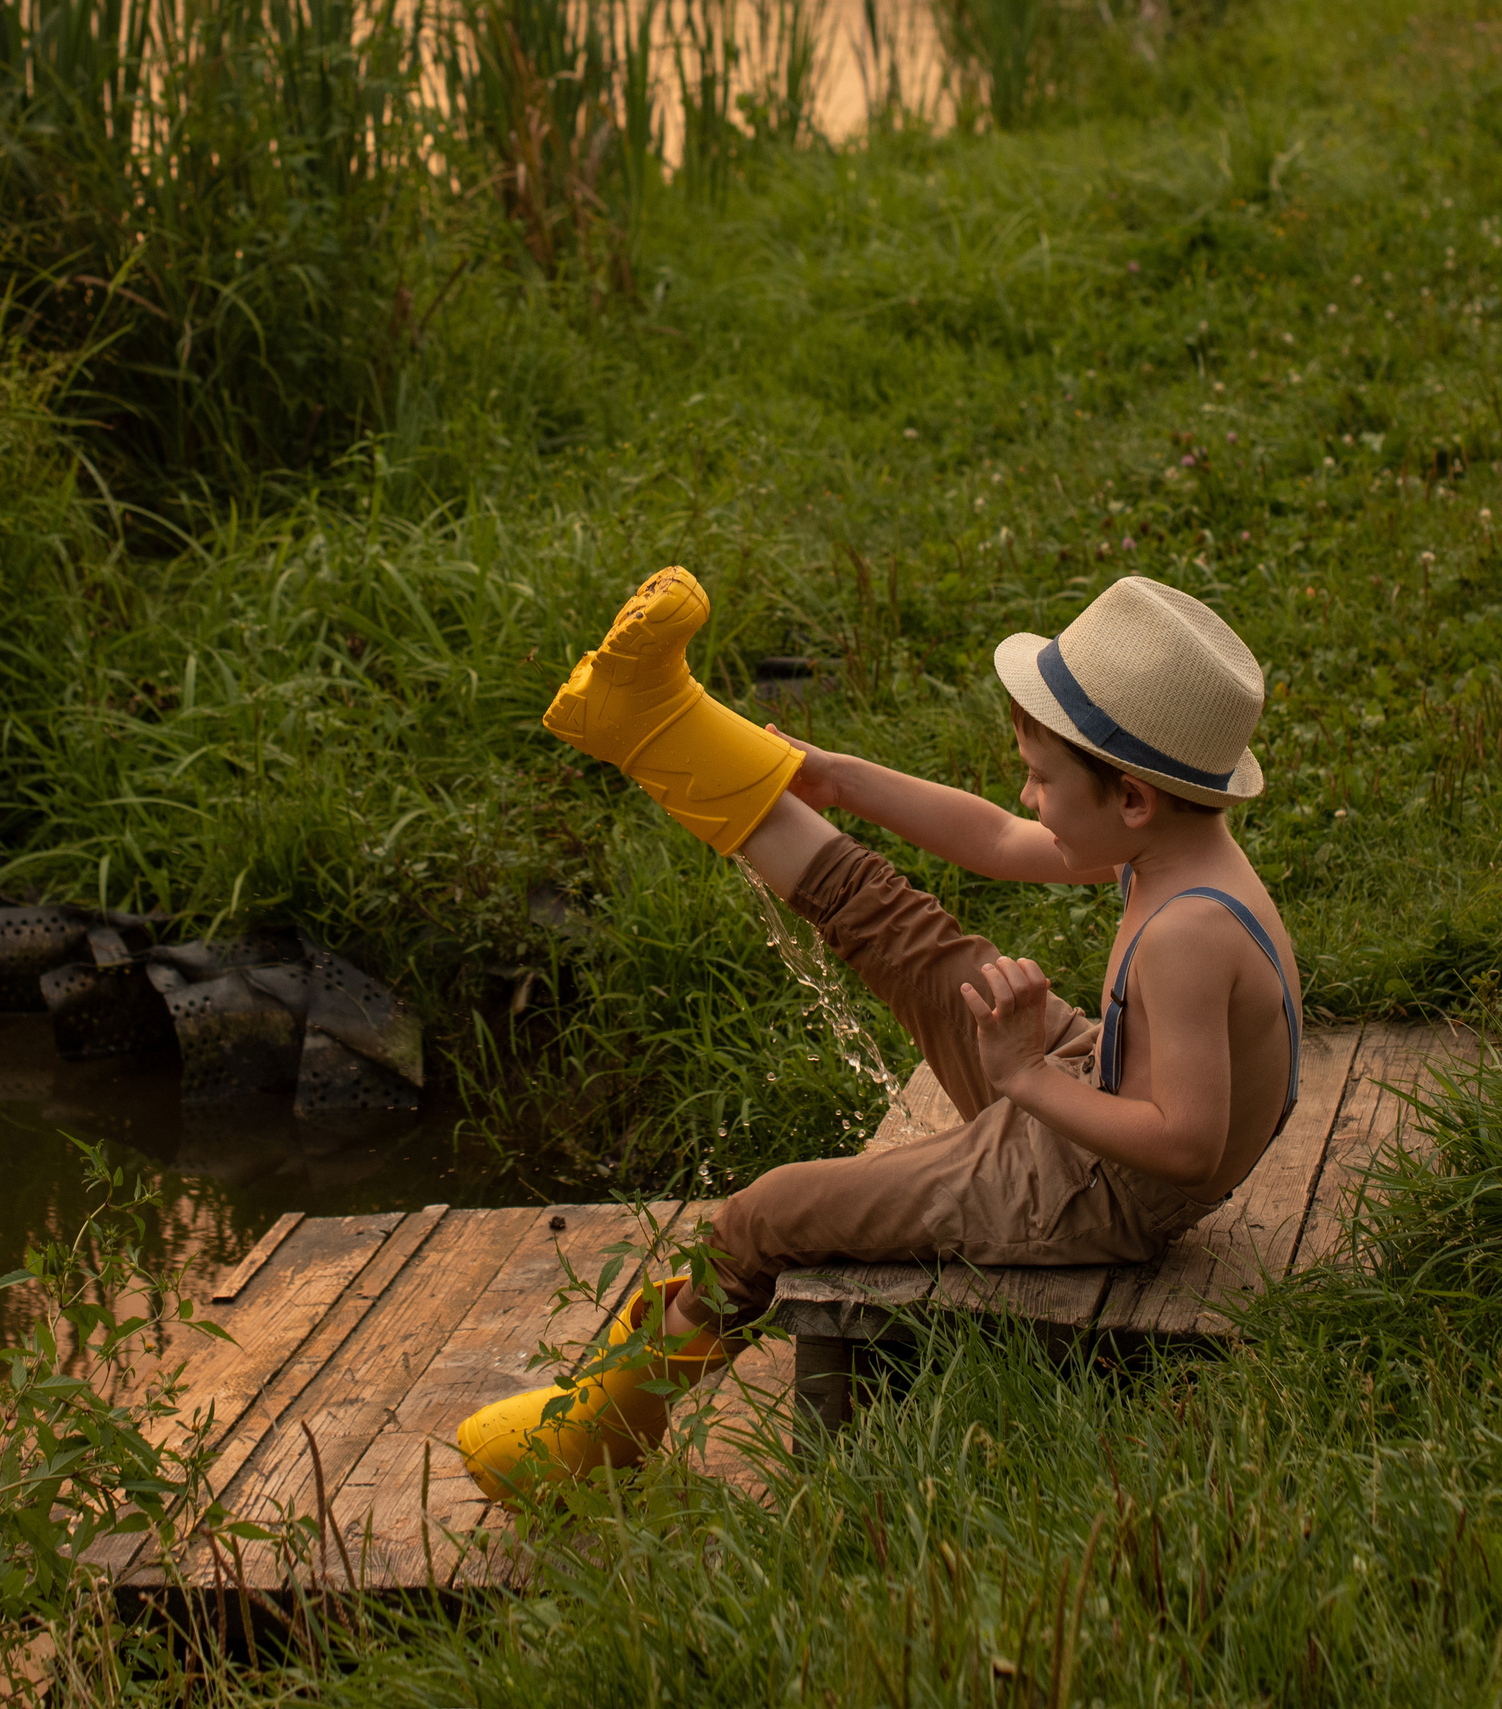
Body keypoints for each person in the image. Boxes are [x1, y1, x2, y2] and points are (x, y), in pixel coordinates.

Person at [457, 566, 1301, 1499]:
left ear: (1132, 799)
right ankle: (655, 723)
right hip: (1087, 1095)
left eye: (1039, 778)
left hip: (1092, 1192)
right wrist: (838, 780)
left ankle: (605, 1426)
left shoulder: (1190, 932)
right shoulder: (1171, 848)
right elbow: (991, 840)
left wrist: (1024, 1077)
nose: (1027, 797)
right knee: (912, 937)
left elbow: (1187, 1144)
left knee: (766, 1213)